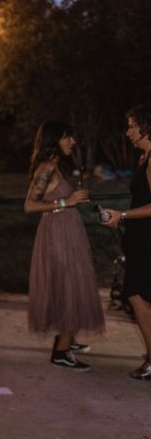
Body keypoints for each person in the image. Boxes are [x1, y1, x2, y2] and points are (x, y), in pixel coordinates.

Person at [24, 121, 105, 372]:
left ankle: (67, 338)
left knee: (73, 284)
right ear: (54, 140)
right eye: (67, 138)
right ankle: (61, 350)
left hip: (68, 229)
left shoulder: (59, 166)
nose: (73, 142)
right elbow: (29, 205)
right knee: (70, 284)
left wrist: (73, 200)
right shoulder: (47, 167)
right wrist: (65, 201)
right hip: (57, 232)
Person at [102, 104, 151, 380]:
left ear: (146, 126)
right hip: (140, 235)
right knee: (139, 295)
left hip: (147, 237)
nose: (128, 131)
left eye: (132, 125)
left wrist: (122, 215)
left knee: (136, 295)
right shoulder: (144, 157)